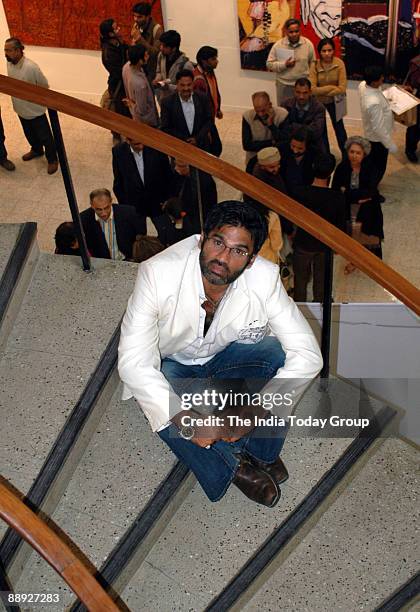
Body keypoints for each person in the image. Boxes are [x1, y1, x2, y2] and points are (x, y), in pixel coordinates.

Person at [118, 201, 323, 507]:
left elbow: (308, 355)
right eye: (218, 243)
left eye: (239, 251)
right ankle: (233, 467)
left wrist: (258, 409)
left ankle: (259, 451)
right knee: (158, 401)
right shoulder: (157, 274)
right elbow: (134, 364)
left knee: (277, 353)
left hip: (223, 356)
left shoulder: (264, 278)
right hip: (171, 362)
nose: (223, 258)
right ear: (202, 238)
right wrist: (186, 419)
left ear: (251, 259)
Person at [293, 154, 346, 301]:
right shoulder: (337, 198)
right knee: (322, 284)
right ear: (331, 172)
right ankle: (320, 311)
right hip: (325, 246)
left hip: (303, 243)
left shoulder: (300, 192)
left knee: (300, 281)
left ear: (312, 168)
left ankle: (299, 311)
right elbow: (340, 225)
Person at [4, 37, 58, 175]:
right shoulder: (9, 64)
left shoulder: (31, 67)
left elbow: (44, 85)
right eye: (5, 50)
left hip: (35, 110)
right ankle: (36, 150)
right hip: (20, 108)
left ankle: (52, 159)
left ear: (18, 50)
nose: (5, 53)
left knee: (45, 136)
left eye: (8, 50)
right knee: (29, 133)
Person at [332, 136, 384, 273]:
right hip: (348, 210)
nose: (354, 156)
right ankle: (354, 261)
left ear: (364, 154)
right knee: (353, 237)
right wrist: (356, 196)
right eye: (352, 152)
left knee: (369, 237)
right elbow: (336, 190)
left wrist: (347, 192)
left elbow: (371, 192)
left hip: (368, 210)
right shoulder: (342, 168)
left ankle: (373, 263)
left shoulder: (371, 168)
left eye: (358, 153)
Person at [112, 136, 172, 222]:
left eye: (142, 142)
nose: (141, 147)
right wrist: (125, 206)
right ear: (128, 141)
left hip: (158, 201)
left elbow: (167, 174)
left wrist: (167, 199)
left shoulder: (156, 147)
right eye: (137, 144)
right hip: (134, 205)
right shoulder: (118, 152)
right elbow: (118, 181)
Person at [80, 188, 146, 260]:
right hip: (102, 263)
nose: (103, 213)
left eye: (106, 208)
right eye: (99, 209)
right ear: (92, 205)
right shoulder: (83, 219)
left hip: (128, 259)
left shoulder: (129, 213)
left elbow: (141, 235)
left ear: (111, 201)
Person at [358, 65, 397, 183]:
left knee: (371, 164)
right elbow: (378, 128)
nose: (383, 80)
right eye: (381, 78)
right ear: (374, 82)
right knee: (378, 167)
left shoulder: (363, 85)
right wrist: (390, 144)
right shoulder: (373, 102)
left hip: (371, 135)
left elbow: (378, 93)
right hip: (378, 141)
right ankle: (372, 190)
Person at [309, 38, 348, 154]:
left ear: (334, 51)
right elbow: (312, 89)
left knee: (340, 129)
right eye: (324, 51)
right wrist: (332, 88)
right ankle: (325, 156)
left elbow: (342, 88)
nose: (327, 54)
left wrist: (323, 90)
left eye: (329, 50)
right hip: (319, 102)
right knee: (321, 130)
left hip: (336, 101)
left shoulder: (339, 63)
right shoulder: (314, 65)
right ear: (319, 52)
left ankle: (346, 155)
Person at [160, 69, 214, 152]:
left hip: (202, 146)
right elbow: (166, 127)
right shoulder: (167, 103)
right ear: (177, 85)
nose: (186, 88)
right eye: (182, 85)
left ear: (193, 84)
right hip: (179, 148)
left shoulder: (203, 98)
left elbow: (209, 120)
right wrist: (185, 140)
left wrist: (197, 138)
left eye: (189, 85)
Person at [266, 18, 315, 106]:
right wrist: (284, 65)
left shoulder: (308, 44)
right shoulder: (278, 45)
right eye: (291, 32)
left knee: (302, 111)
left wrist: (311, 82)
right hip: (284, 84)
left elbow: (313, 63)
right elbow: (269, 64)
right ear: (286, 32)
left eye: (296, 31)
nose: (294, 34)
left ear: (300, 30)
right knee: (284, 111)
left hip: (302, 86)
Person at [281, 77, 329, 153]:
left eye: (305, 93)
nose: (301, 97)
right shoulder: (285, 104)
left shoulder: (319, 107)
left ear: (310, 92)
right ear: (294, 91)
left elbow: (316, 132)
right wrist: (305, 128)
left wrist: (293, 126)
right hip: (290, 144)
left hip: (312, 146)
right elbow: (283, 129)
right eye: (298, 92)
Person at [169, 158, 217, 233]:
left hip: (197, 219)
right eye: (176, 164)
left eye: (180, 166)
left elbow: (209, 206)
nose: (176, 168)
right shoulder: (179, 175)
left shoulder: (205, 182)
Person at [242, 91, 289, 165]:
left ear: (270, 105)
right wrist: (272, 142)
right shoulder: (247, 116)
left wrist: (271, 125)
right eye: (257, 111)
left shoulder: (282, 115)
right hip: (254, 160)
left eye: (263, 110)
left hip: (276, 161)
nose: (260, 114)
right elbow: (247, 145)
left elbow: (284, 141)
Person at [99, 19, 131, 125]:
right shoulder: (108, 53)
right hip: (118, 86)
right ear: (110, 34)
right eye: (116, 28)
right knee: (122, 115)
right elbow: (119, 72)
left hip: (124, 83)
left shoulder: (118, 42)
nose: (119, 29)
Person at [152, 30, 194, 104]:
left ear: (174, 48)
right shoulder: (161, 56)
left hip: (178, 103)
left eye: (164, 46)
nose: (161, 48)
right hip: (164, 100)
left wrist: (168, 87)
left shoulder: (185, 65)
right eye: (161, 45)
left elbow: (188, 88)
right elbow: (159, 72)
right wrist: (157, 79)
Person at [122, 45, 159, 127]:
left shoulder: (126, 66)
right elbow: (142, 110)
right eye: (145, 55)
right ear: (139, 61)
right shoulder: (140, 84)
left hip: (134, 114)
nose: (148, 56)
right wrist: (132, 104)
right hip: (145, 122)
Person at [279, 126, 315, 197]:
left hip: (304, 192)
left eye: (300, 148)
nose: (295, 151)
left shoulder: (314, 154)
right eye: (293, 146)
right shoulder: (282, 149)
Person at [131, 2, 163, 81]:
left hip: (152, 72)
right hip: (139, 69)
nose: (136, 19)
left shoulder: (157, 30)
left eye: (139, 17)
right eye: (134, 16)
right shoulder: (136, 25)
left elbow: (155, 53)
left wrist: (140, 39)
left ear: (148, 16)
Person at [193, 46, 223, 120]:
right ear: (204, 61)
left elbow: (215, 92)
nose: (217, 61)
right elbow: (199, 104)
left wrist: (217, 108)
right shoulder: (198, 79)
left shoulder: (210, 71)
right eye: (213, 59)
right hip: (204, 119)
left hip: (210, 115)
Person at [404, 54, 420, 162]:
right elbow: (410, 80)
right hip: (418, 95)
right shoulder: (416, 62)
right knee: (415, 125)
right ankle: (410, 149)